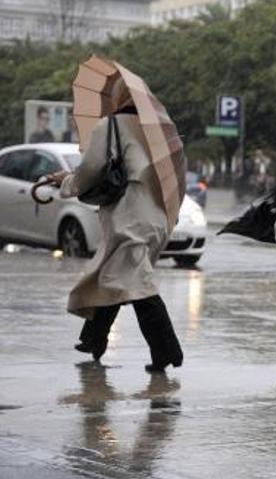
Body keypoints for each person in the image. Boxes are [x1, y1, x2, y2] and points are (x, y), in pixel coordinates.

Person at [46, 79, 184, 373]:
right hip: (156, 217)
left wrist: (66, 181)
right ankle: (93, 340)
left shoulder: (109, 126)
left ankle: (167, 350)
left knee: (135, 284)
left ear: (118, 99)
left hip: (131, 218)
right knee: (115, 277)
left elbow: (89, 171)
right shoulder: (159, 130)